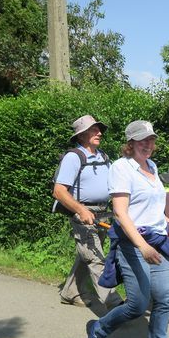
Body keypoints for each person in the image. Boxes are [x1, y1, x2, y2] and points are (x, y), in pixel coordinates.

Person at [86, 120, 169, 338]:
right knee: (138, 305)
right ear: (130, 143)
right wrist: (142, 246)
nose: (148, 145)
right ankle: (99, 329)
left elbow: (151, 205)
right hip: (133, 242)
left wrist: (167, 220)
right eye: (142, 140)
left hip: (159, 241)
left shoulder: (152, 166)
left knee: (163, 299)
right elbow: (121, 213)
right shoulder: (121, 168)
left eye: (151, 140)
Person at [53, 115, 123, 310]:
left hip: (103, 212)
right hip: (82, 213)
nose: (99, 133)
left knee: (87, 255)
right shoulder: (74, 157)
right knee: (95, 257)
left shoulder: (103, 157)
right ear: (81, 135)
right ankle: (115, 304)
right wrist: (81, 209)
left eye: (99, 129)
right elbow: (58, 191)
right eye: (94, 129)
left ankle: (70, 292)